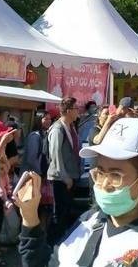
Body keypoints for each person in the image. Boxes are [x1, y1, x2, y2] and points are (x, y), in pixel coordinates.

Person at [16, 117, 138, 266]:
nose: (104, 183)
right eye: (100, 172)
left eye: (116, 174)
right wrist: (30, 216)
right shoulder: (87, 222)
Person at [46, 97, 81, 245]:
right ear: (67, 111)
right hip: (61, 178)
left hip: (72, 176)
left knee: (66, 212)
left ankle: (62, 241)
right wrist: (64, 177)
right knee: (58, 213)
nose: (78, 111)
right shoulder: (57, 129)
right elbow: (55, 155)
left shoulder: (71, 126)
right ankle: (53, 243)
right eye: (75, 108)